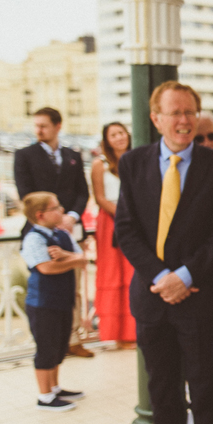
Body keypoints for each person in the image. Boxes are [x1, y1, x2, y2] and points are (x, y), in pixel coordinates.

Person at [116, 81, 213, 424]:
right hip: (152, 297)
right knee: (163, 390)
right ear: (156, 119)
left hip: (199, 296)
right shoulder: (132, 164)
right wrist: (163, 276)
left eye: (190, 112)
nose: (184, 120)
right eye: (175, 113)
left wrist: (185, 275)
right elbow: (125, 231)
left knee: (204, 390)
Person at [14, 106, 93, 358]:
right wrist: (49, 218)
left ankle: (72, 338)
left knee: (75, 287)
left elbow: (83, 191)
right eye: (36, 125)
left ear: (58, 126)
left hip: (68, 230)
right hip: (41, 231)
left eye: (43, 125)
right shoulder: (24, 155)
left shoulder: (73, 155)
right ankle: (50, 342)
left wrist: (70, 217)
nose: (38, 130)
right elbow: (25, 192)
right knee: (47, 286)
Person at [20, 192, 89, 411]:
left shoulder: (62, 235)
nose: (62, 210)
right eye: (56, 207)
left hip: (62, 299)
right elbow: (46, 267)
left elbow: (84, 259)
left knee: (59, 346)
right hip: (43, 303)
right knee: (46, 348)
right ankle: (45, 396)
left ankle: (55, 387)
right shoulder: (33, 238)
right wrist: (71, 260)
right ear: (41, 215)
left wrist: (63, 255)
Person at [91, 122, 135, 349]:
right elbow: (99, 197)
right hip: (111, 221)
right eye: (113, 135)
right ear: (107, 140)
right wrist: (123, 214)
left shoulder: (136, 159)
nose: (119, 138)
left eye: (121, 133)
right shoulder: (100, 164)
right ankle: (114, 333)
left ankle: (133, 332)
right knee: (112, 273)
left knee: (133, 272)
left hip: (135, 219)